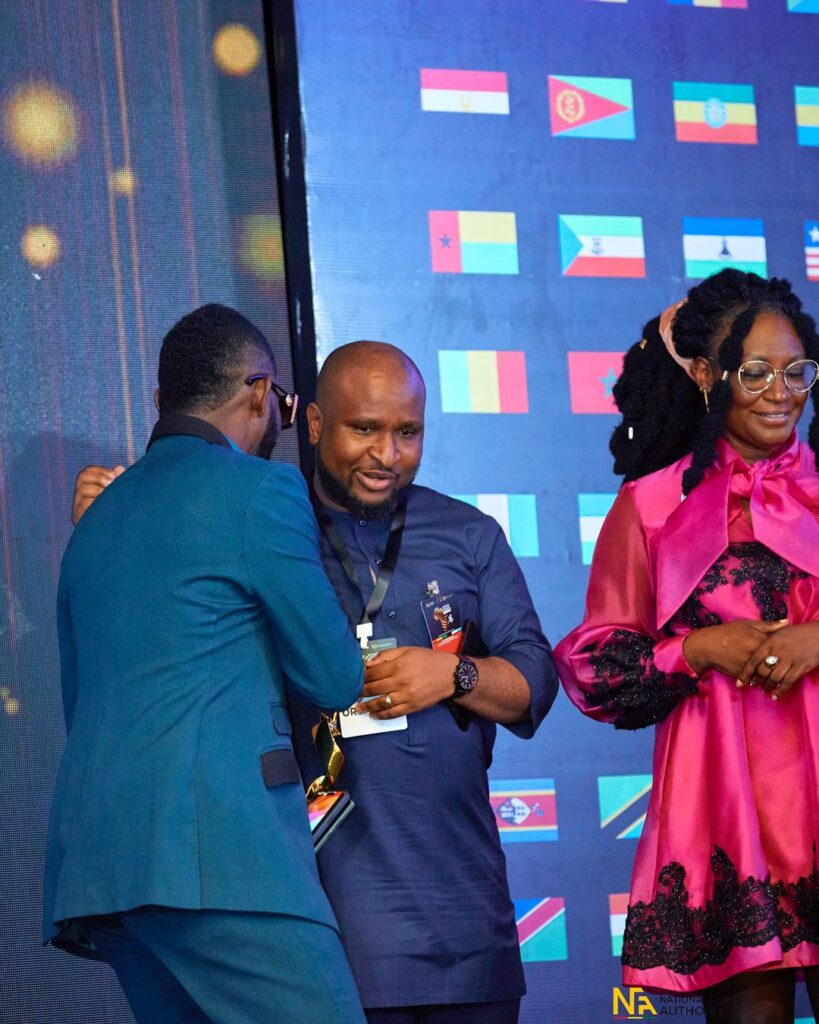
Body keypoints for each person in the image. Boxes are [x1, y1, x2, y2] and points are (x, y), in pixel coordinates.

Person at [74, 339, 560, 1024]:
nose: (386, 454)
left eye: (408, 432)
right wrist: (117, 521)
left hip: (464, 917)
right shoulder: (260, 517)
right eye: (364, 428)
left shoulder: (467, 533)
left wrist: (452, 673)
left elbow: (535, 680)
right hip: (321, 921)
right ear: (313, 422)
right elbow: (169, 627)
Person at [45, 304, 367, 1024]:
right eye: (283, 402)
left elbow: (80, 698)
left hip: (102, 870)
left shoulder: (96, 519)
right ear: (258, 394)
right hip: (221, 858)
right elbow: (334, 676)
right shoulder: (261, 489)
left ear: (164, 400)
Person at [555, 269, 819, 1024]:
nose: (780, 393)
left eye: (797, 372)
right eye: (755, 372)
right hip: (724, 814)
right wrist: (698, 649)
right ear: (706, 375)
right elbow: (597, 667)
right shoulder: (650, 505)